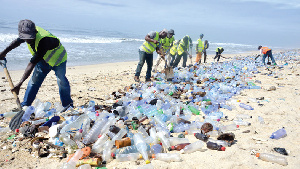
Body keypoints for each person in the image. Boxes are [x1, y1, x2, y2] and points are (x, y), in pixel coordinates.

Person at [0, 19, 73, 108]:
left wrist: (20, 83)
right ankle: (25, 105)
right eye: (25, 38)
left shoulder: (44, 40)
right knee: (34, 82)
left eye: (30, 37)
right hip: (43, 60)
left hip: (58, 60)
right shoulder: (27, 33)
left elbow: (32, 63)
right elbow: (16, 42)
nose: (28, 40)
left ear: (34, 31)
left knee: (61, 81)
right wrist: (3, 53)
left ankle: (68, 105)